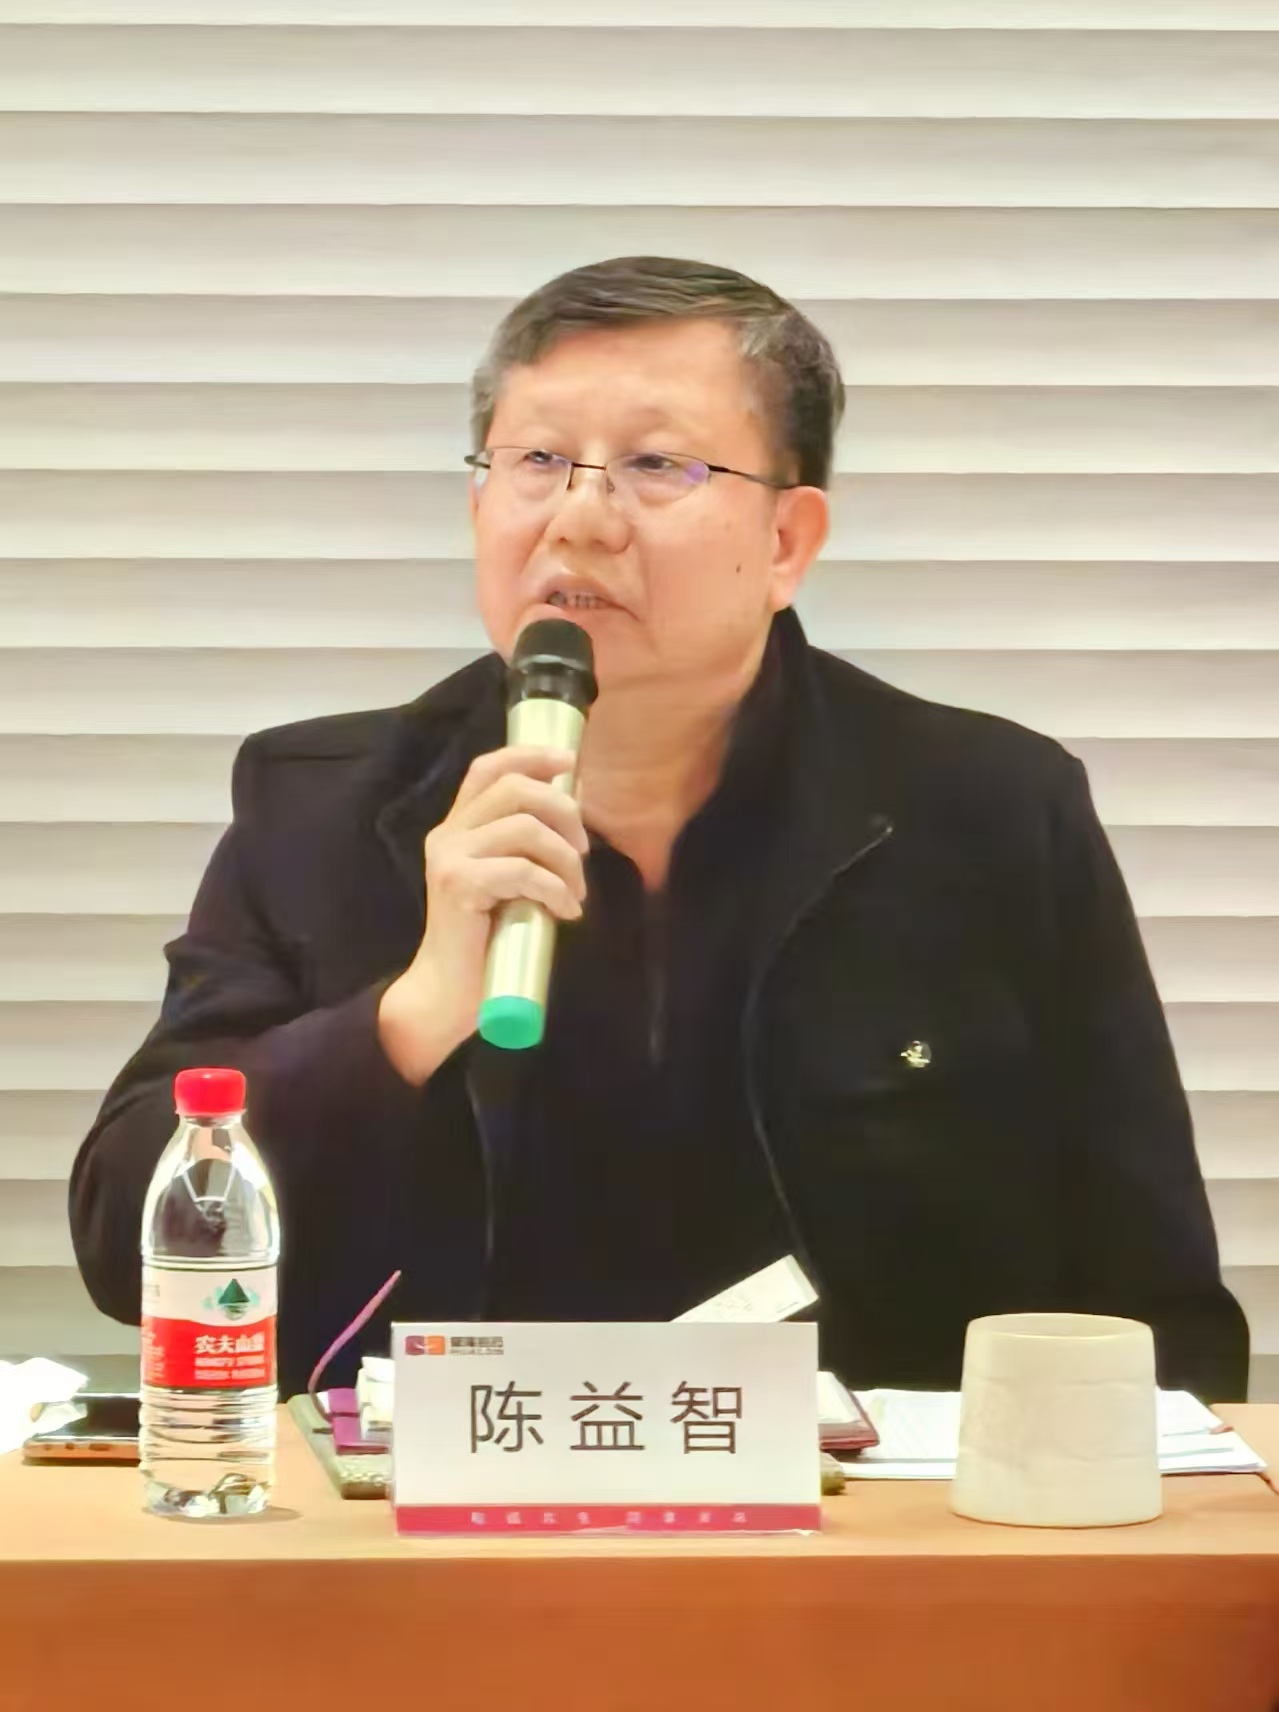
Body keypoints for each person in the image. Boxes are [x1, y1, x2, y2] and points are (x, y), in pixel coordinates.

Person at [70, 256, 1249, 1401]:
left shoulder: (987, 811)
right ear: (479, 501)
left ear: (786, 540)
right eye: (538, 460)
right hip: (432, 1510)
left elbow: (1154, 1309)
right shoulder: (319, 806)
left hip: (868, 1518)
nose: (579, 518)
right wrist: (410, 1014)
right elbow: (131, 1243)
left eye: (655, 464)